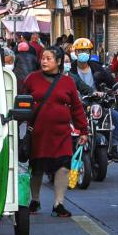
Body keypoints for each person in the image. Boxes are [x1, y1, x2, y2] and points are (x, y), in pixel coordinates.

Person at [24, 46, 88, 218]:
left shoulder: (68, 82)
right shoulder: (32, 79)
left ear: (58, 62)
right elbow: (20, 103)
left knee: (63, 166)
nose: (44, 61)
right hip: (38, 132)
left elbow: (76, 107)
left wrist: (83, 129)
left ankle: (59, 204)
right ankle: (35, 200)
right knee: (36, 167)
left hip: (61, 133)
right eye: (43, 58)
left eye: (48, 58)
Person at [70, 37, 118, 163]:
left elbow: (110, 80)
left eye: (86, 51)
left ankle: (113, 148)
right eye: (80, 51)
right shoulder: (70, 69)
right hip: (77, 103)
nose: (83, 53)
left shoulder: (96, 67)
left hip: (96, 102)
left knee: (114, 115)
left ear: (90, 53)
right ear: (75, 53)